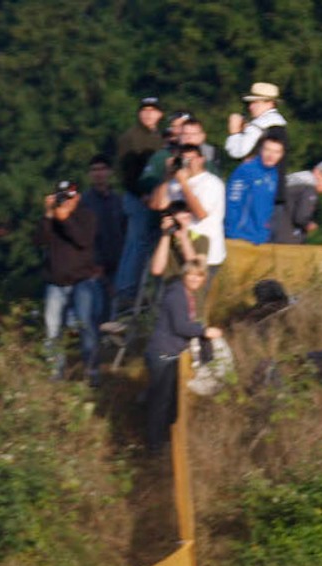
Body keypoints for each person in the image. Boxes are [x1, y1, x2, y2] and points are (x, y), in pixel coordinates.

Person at [143, 256, 223, 453]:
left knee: (166, 400)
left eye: (200, 276)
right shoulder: (177, 295)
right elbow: (180, 326)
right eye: (192, 275)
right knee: (161, 402)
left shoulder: (186, 294)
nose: (195, 279)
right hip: (163, 354)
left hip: (169, 354)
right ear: (184, 275)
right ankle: (154, 446)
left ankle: (162, 441)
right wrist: (205, 331)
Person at [37, 179, 103, 383]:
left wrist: (65, 219)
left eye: (70, 196)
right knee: (52, 329)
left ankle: (92, 370)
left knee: (85, 324)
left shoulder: (86, 216)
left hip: (81, 281)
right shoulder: (51, 218)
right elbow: (40, 240)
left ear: (78, 197)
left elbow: (84, 240)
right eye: (62, 196)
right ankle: (55, 372)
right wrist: (49, 214)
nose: (66, 201)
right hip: (56, 283)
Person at [114, 97, 166, 303]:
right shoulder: (131, 137)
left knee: (146, 243)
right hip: (138, 197)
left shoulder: (159, 137)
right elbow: (126, 172)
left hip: (153, 197)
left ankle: (139, 289)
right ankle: (127, 290)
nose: (148, 114)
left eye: (153, 110)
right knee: (136, 243)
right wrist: (141, 194)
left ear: (159, 114)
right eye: (145, 110)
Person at [150, 143, 227, 277]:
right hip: (179, 249)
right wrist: (167, 177)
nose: (188, 164)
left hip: (206, 253)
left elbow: (200, 213)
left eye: (191, 159)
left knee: (197, 296)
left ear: (201, 159)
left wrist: (184, 184)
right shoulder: (175, 181)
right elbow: (157, 205)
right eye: (184, 160)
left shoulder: (212, 183)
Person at [223, 131, 287, 244]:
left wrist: (265, 231)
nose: (271, 155)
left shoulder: (274, 174)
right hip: (239, 236)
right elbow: (232, 201)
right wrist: (231, 232)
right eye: (268, 150)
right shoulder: (246, 170)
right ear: (261, 150)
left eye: (276, 152)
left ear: (281, 155)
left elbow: (268, 206)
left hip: (261, 238)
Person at [85, 155, 125, 309]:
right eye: (94, 170)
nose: (98, 173)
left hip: (118, 262)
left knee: (116, 308)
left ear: (109, 172)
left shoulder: (118, 200)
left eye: (102, 169)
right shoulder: (85, 202)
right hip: (94, 266)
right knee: (96, 309)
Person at [270, 160, 322, 244]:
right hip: (285, 240)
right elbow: (301, 217)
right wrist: (309, 224)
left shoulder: (294, 180)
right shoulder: (309, 188)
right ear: (317, 172)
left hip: (269, 232)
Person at [226, 82, 290, 162]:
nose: (250, 107)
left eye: (255, 102)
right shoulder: (280, 124)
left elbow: (237, 152)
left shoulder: (259, 125)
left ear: (270, 103)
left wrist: (235, 132)